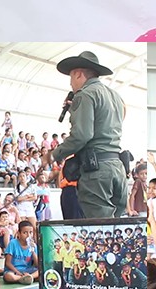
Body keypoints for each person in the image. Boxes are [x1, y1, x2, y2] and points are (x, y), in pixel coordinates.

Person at [52, 51, 127, 218]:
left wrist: (53, 155)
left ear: (78, 74)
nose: (71, 84)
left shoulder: (85, 95)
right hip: (117, 166)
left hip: (97, 170)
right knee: (116, 226)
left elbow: (82, 135)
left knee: (99, 228)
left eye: (71, 77)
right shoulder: (115, 96)